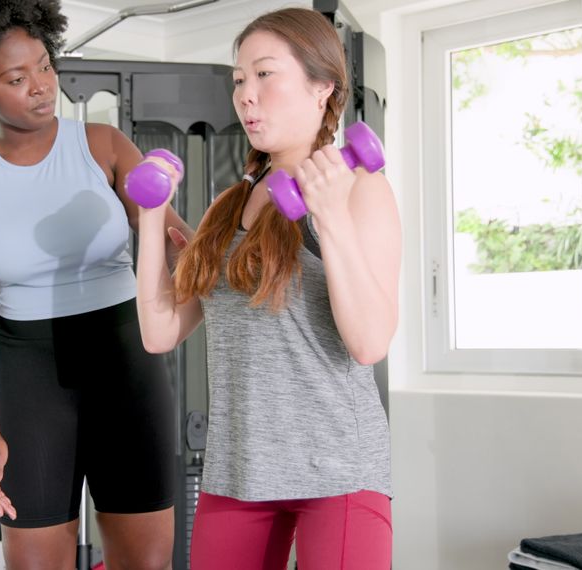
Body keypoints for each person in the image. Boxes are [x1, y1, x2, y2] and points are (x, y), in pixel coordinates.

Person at [133, 7, 400, 569]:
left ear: (322, 87)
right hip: (239, 468)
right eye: (238, 79)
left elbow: (370, 343)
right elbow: (160, 333)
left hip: (338, 469)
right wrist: (152, 217)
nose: (246, 95)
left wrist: (331, 219)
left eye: (265, 74)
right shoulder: (228, 207)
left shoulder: (359, 190)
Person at [0, 1, 192, 568]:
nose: (41, 87)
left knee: (145, 562)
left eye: (45, 66)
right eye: (16, 78)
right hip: (29, 374)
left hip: (126, 356)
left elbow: (174, 240)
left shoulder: (102, 146)